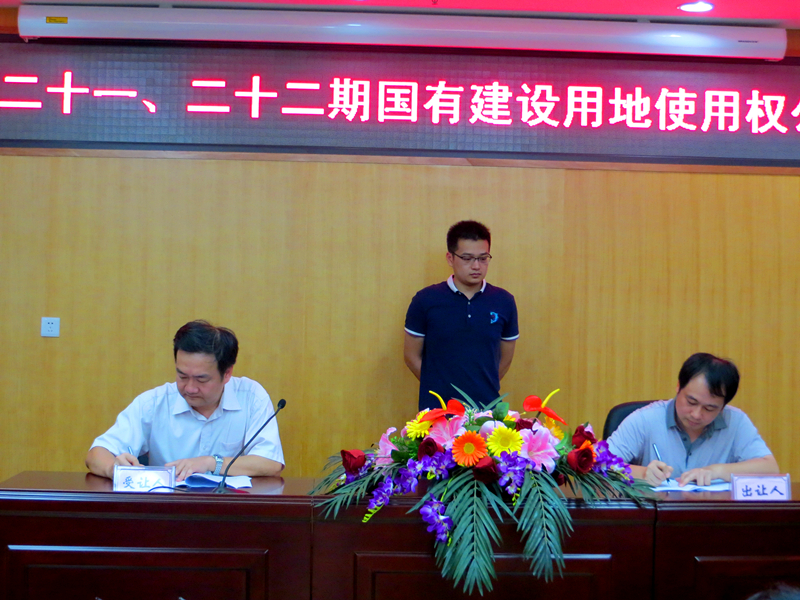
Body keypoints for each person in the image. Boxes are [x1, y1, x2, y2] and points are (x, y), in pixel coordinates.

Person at [86, 320, 284, 481]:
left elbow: (271, 462)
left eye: (201, 379)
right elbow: (96, 454)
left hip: (231, 510)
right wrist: (115, 469)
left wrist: (210, 463)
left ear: (227, 373)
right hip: (168, 510)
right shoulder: (154, 403)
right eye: (182, 376)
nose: (189, 388)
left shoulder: (251, 397)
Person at [607, 352, 778, 487]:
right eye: (691, 402)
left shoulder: (736, 422)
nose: (696, 414)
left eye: (709, 408)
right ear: (678, 387)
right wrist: (643, 474)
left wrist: (717, 471)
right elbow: (599, 465)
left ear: (723, 406)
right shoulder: (645, 419)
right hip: (654, 516)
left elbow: (770, 469)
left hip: (712, 517)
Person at [404, 220, 519, 411]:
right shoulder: (425, 300)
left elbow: (505, 358)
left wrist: (482, 386)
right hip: (437, 411)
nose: (476, 266)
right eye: (467, 258)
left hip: (486, 411)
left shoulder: (504, 301)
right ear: (450, 258)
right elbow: (411, 356)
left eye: (483, 258)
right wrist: (436, 387)